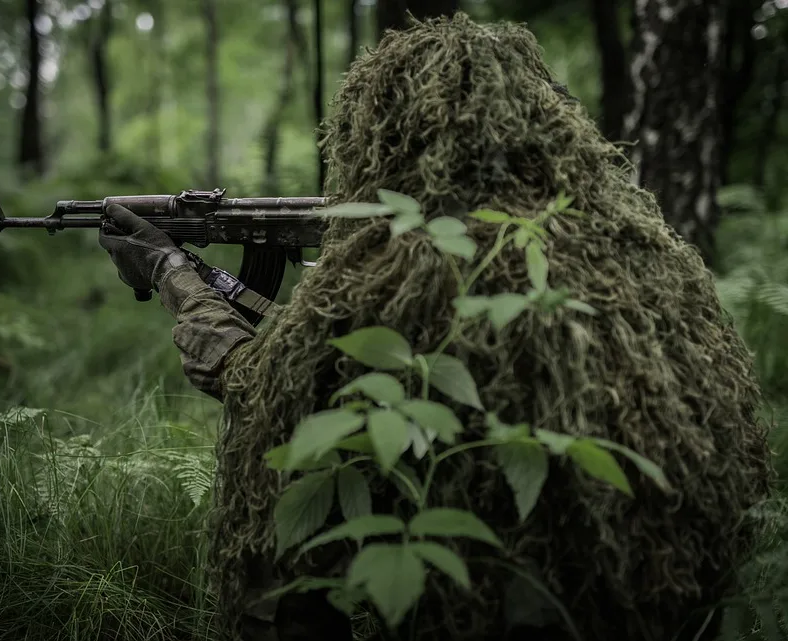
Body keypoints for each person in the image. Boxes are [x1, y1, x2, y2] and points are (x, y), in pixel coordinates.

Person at [100, 13, 771, 641]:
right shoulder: (642, 248)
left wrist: (175, 276)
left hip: (528, 591)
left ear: (391, 133)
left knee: (284, 467)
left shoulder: (427, 260)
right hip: (669, 587)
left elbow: (277, 395)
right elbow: (350, 362)